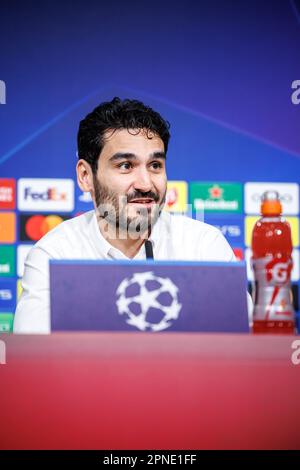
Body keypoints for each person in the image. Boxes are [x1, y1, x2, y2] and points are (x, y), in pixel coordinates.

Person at [14, 97, 237, 334]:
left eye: (155, 165)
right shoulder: (54, 255)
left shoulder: (204, 247)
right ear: (86, 176)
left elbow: (238, 351)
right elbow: (34, 357)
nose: (145, 183)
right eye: (125, 166)